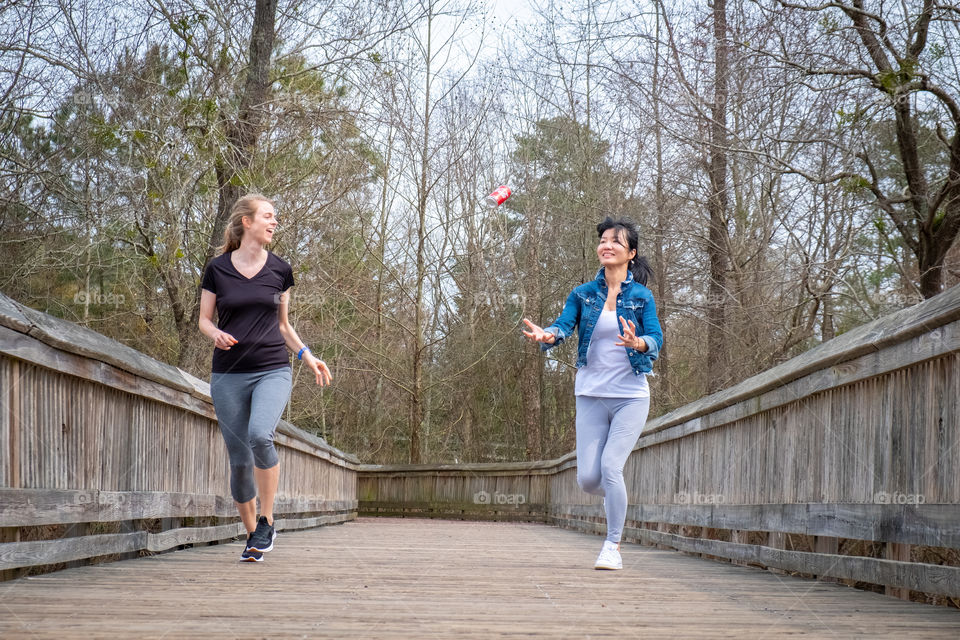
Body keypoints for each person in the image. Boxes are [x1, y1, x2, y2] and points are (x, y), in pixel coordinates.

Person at [522, 217, 663, 570]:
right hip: (590, 395)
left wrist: (638, 341)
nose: (607, 245)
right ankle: (619, 497)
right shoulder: (583, 293)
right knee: (588, 479)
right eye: (603, 240)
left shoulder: (642, 297)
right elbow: (564, 325)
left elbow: (656, 339)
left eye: (616, 241)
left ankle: (612, 546)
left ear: (631, 253)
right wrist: (548, 336)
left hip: (631, 396)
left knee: (611, 467)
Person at [199, 193, 332, 562]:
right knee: (239, 461)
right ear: (247, 221)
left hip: (272, 367)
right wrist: (214, 334)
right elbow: (204, 319)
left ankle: (267, 519)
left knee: (260, 434)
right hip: (227, 374)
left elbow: (283, 326)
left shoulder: (280, 270)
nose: (275, 223)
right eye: (269, 216)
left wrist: (307, 355)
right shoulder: (217, 269)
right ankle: (253, 537)